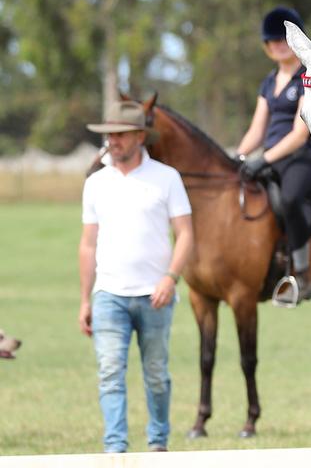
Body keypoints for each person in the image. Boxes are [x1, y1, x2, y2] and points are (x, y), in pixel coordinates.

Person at [79, 100, 193, 453]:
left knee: (156, 375)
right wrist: (86, 299)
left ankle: (158, 442)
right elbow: (88, 244)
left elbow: (186, 234)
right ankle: (115, 449)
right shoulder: (96, 183)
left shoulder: (166, 177)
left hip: (155, 295)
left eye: (121, 135)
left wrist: (171, 277)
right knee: (110, 373)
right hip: (109, 294)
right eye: (109, 135)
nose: (113, 141)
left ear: (140, 137)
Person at [235, 6, 311, 304]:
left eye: (282, 39)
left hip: (300, 157)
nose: (277, 45)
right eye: (272, 41)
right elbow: (257, 130)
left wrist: (264, 159)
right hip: (270, 156)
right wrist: (239, 155)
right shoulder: (268, 82)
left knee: (290, 198)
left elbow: (299, 134)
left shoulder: (308, 76)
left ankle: (303, 275)